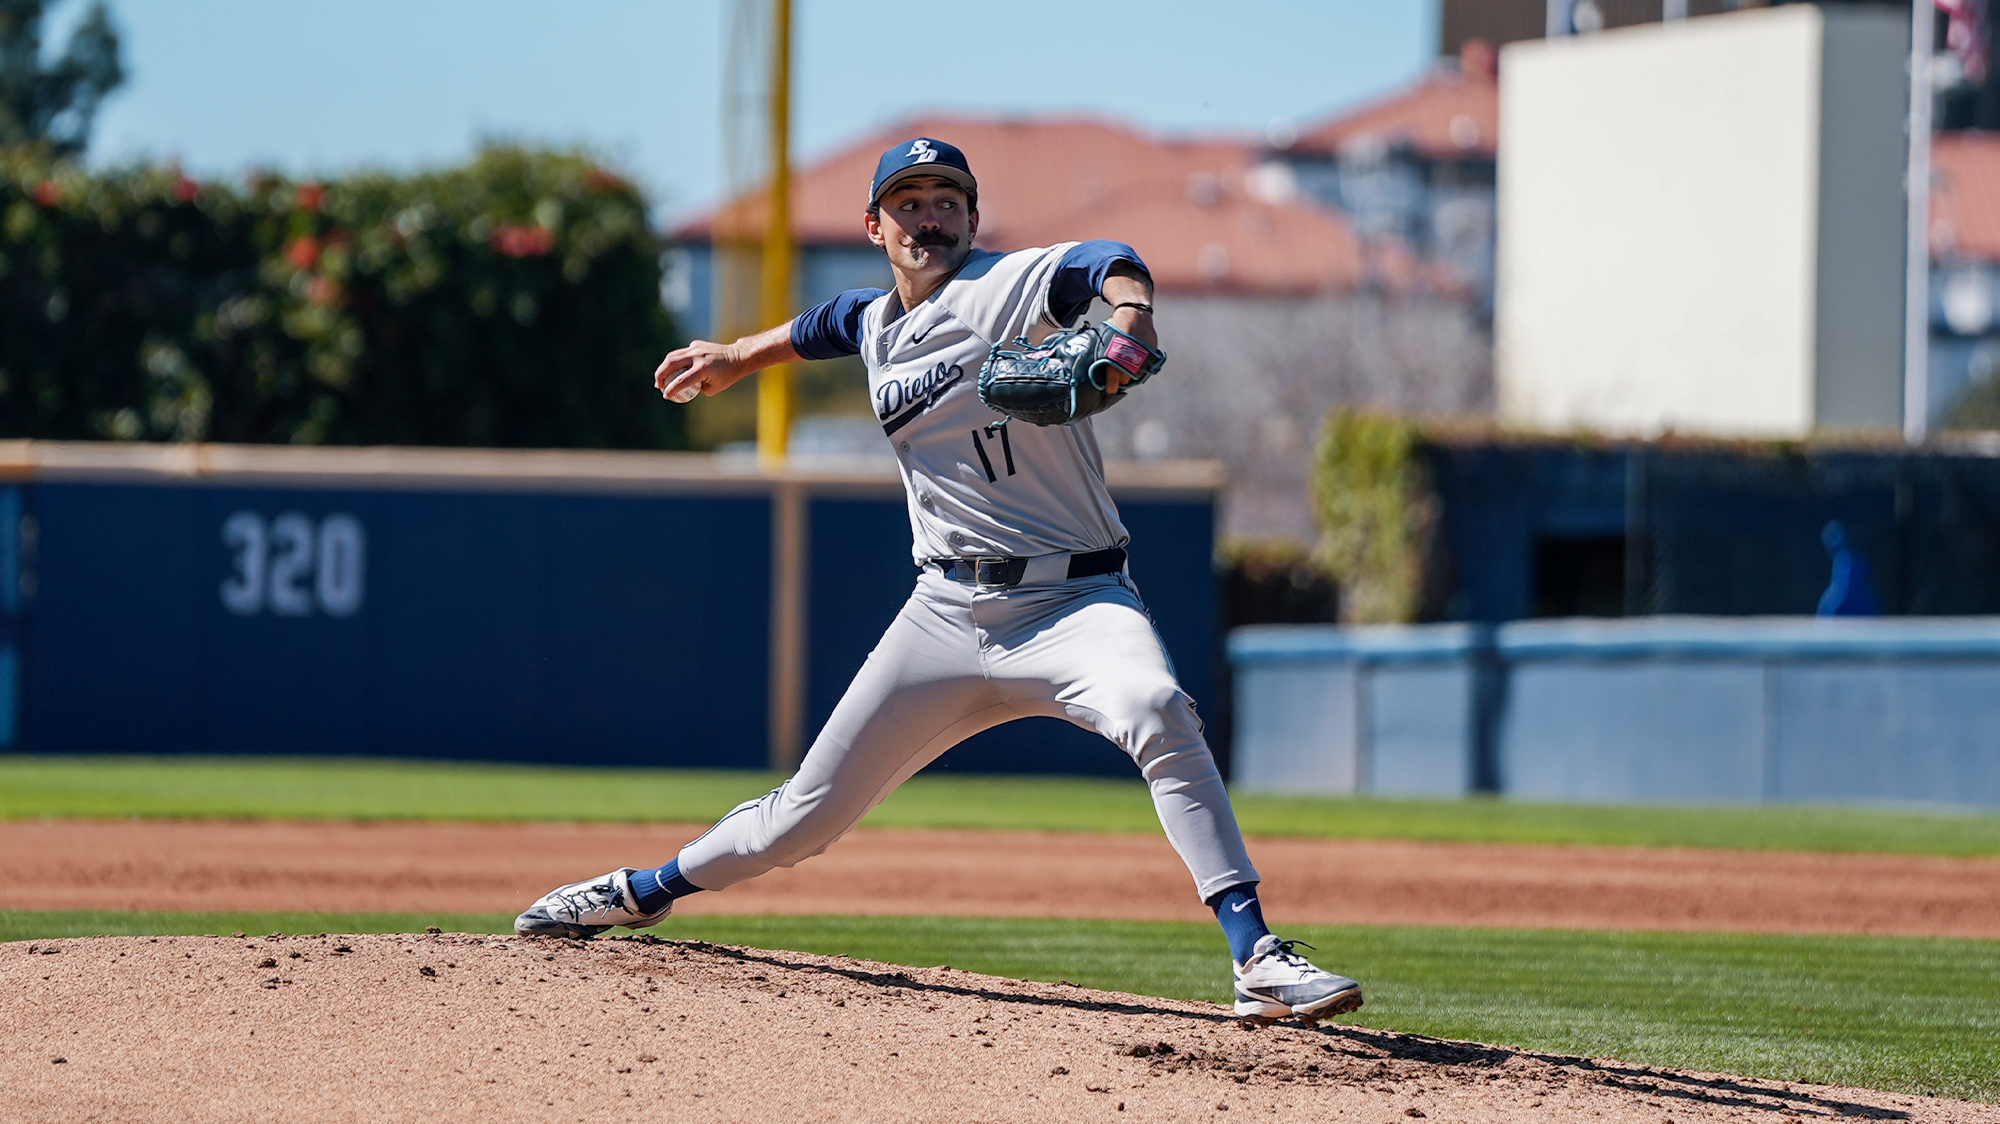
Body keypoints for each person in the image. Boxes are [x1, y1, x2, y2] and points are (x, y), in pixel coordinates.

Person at [515, 137, 1364, 1024]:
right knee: (801, 819)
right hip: (946, 614)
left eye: (947, 201)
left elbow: (1106, 262)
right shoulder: (876, 321)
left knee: (1156, 708)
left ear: (971, 218)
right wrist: (736, 355)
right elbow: (825, 325)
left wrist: (1133, 315)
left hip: (1075, 600)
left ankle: (1256, 955)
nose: (929, 216)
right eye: (910, 203)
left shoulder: (1003, 286)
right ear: (876, 225)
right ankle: (635, 889)